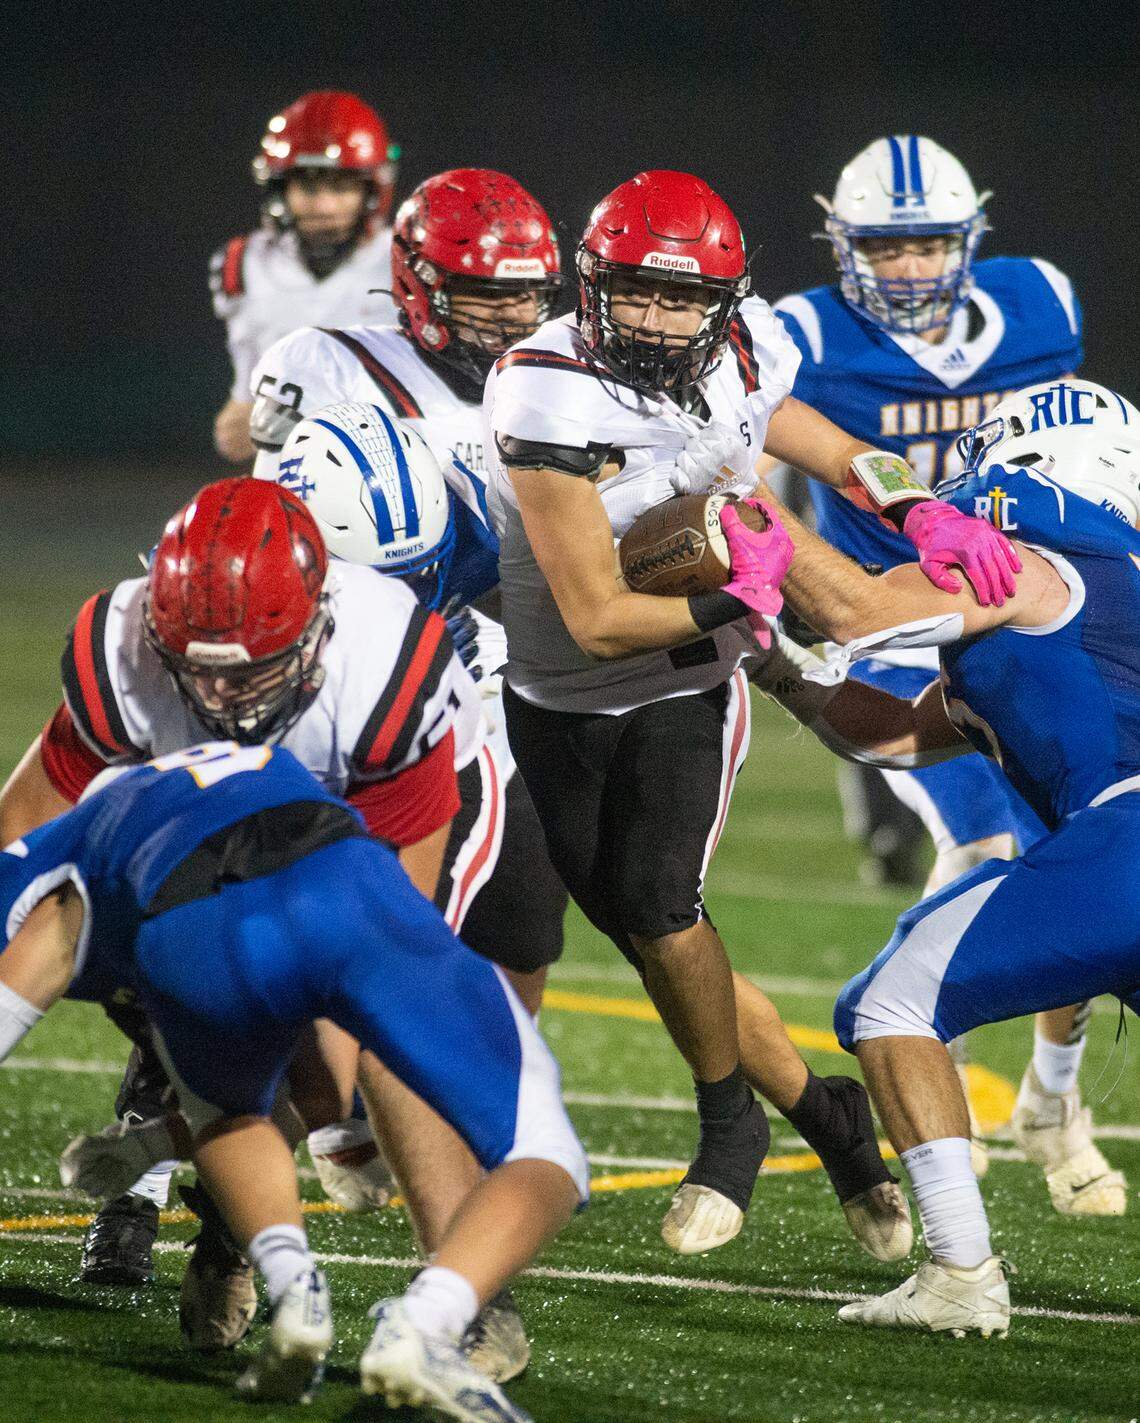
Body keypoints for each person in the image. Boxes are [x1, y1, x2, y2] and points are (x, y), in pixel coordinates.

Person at [484, 167, 1017, 1258]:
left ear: (723, 303)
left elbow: (828, 443)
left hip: (691, 673)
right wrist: (746, 593)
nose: (658, 319)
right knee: (654, 942)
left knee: (660, 904)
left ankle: (728, 1129)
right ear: (591, 285)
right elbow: (595, 618)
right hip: (558, 684)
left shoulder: (746, 347)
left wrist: (917, 502)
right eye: (638, 291)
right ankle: (832, 1119)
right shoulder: (545, 387)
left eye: (683, 298)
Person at [0, 479, 496, 1354]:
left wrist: (163, 1134)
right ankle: (198, 1167)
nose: (222, 694)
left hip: (359, 826)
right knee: (71, 940)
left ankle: (445, 1289)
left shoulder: (384, 672)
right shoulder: (122, 652)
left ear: (317, 625)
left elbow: (384, 936)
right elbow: (21, 837)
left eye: (250, 670)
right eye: (197, 668)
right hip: (187, 841)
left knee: (354, 1054)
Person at [2, 740, 585, 1418]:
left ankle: (298, 1289)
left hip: (192, 927)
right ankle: (426, 1323)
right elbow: (322, 1096)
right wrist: (148, 1145)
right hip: (343, 882)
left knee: (226, 1113)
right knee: (544, 1149)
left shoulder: (45, 872)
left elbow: (39, 955)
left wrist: (145, 1143)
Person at [768, 135, 1122, 1212]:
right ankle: (940, 1066)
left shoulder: (1037, 307)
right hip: (903, 621)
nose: (912, 266)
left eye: (929, 243)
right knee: (994, 841)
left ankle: (1048, 1091)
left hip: (1030, 598)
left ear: (969, 240)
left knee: (1079, 838)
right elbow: (754, 458)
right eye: (889, 246)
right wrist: (781, 587)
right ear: (845, 245)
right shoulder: (803, 333)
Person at [751, 378, 1140, 1334]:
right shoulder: (1087, 591)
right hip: (1114, 846)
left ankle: (962, 1271)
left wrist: (743, 507)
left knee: (890, 1002)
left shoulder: (1039, 560)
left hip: (1126, 837)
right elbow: (894, 733)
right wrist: (768, 659)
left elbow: (858, 613)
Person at [210, 91, 399, 463]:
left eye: (341, 187)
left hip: (393, 459)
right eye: (309, 188)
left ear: (371, 190)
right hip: (286, 467)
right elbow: (239, 420)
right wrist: (242, 411)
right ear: (282, 189)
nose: (324, 206)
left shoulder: (407, 259)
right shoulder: (244, 263)